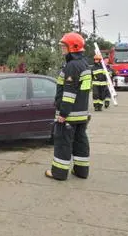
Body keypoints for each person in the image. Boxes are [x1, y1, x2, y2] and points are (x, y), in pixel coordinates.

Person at [45, 32, 91, 181]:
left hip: (70, 114)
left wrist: (63, 114)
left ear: (73, 47)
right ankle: (81, 171)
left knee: (63, 142)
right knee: (80, 142)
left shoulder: (72, 66)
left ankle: (58, 173)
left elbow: (69, 93)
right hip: (82, 114)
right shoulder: (84, 64)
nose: (62, 49)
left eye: (64, 46)